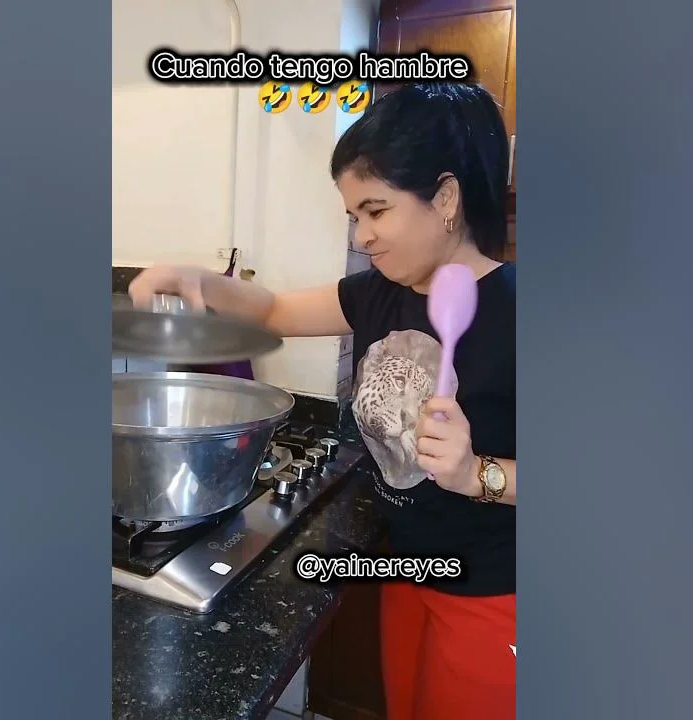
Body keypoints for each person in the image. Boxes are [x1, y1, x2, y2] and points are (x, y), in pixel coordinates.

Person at [129, 82, 516, 719]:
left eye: (376, 211)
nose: (363, 236)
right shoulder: (377, 293)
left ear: (445, 197)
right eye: (354, 217)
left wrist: (479, 473)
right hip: (409, 570)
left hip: (496, 593)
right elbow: (273, 310)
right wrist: (197, 278)